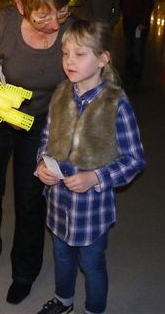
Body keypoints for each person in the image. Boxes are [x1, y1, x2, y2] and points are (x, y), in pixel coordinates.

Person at [0, 0, 76, 304]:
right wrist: (0, 105)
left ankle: (25, 271)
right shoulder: (0, 25)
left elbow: (88, 86)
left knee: (31, 198)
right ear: (19, 5)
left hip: (42, 120)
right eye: (42, 16)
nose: (54, 23)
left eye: (61, 11)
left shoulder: (72, 31)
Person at [35, 19, 145, 314]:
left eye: (80, 54)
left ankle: (94, 309)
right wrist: (41, 163)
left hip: (91, 211)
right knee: (62, 257)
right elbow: (46, 138)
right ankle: (63, 301)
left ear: (103, 59)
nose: (69, 61)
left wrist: (96, 177)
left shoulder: (116, 104)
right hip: (59, 204)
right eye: (65, 53)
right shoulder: (60, 93)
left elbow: (134, 160)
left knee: (92, 264)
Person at [120, 0, 153, 92]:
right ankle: (128, 74)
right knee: (128, 50)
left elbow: (148, 5)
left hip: (139, 23)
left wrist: (143, 22)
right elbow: (123, 0)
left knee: (138, 51)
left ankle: (136, 78)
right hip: (128, 21)